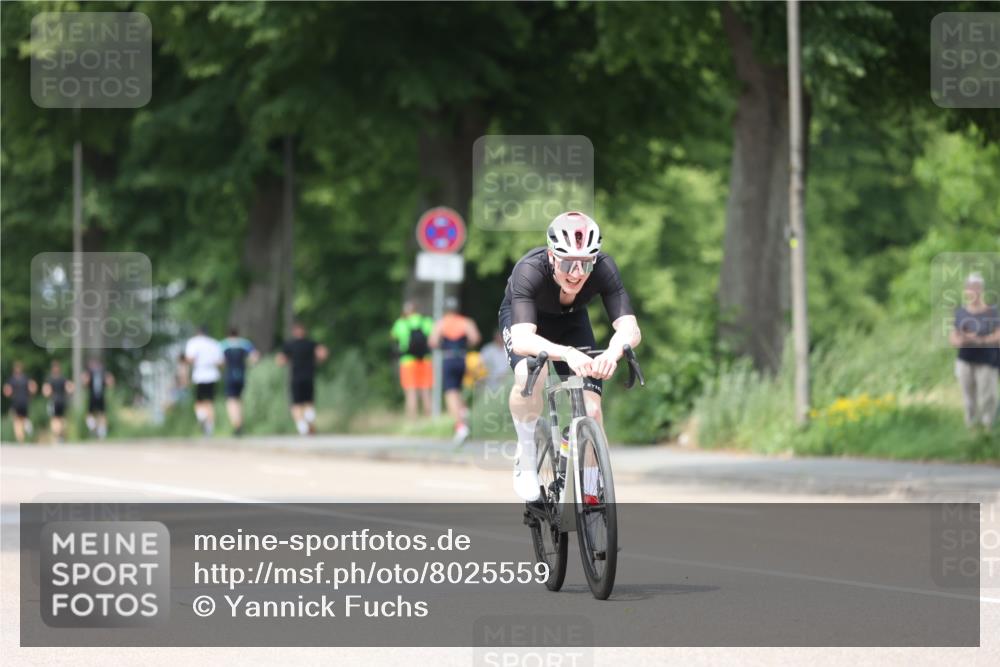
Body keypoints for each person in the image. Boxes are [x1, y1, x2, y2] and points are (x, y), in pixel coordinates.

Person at [498, 211, 641, 501]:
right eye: (567, 263)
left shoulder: (604, 268)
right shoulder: (529, 269)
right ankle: (526, 456)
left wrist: (612, 354)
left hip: (572, 322)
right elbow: (524, 339)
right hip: (527, 321)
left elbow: (630, 328)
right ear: (551, 257)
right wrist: (566, 354)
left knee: (593, 410)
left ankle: (590, 494)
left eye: (585, 264)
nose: (576, 274)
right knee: (529, 375)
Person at [949, 272, 999, 430]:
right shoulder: (960, 312)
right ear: (966, 291)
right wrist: (961, 340)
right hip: (965, 359)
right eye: (970, 287)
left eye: (976, 287)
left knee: (987, 397)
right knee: (969, 400)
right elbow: (954, 336)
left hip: (987, 359)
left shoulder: (993, 312)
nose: (974, 291)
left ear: (982, 290)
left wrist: (978, 339)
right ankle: (971, 431)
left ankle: (987, 431)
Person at [429, 296, 482, 442]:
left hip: (448, 359)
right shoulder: (466, 322)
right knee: (458, 389)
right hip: (462, 358)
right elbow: (475, 338)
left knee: (450, 393)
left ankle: (460, 427)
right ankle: (463, 411)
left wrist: (443, 344)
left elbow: (432, 342)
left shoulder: (441, 323)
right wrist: (464, 344)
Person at [277, 321, 329, 435]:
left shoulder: (289, 345)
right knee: (309, 402)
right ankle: (309, 419)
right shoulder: (311, 344)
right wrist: (317, 361)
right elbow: (323, 353)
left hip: (296, 378)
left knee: (296, 404)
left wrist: (284, 361)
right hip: (309, 376)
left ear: (294, 332)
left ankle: (302, 427)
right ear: (304, 331)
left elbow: (280, 361)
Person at [391, 301, 434, 419]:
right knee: (426, 391)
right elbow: (433, 338)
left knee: (411, 392)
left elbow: (393, 336)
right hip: (425, 360)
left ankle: (412, 420)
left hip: (408, 361)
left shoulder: (401, 323)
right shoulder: (427, 321)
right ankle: (428, 420)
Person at [184, 326, 224, 436]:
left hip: (200, 375)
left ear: (198, 332)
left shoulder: (193, 342)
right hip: (212, 375)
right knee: (210, 401)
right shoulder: (214, 343)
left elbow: (189, 359)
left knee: (199, 401)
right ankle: (210, 427)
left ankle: (201, 416)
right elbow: (221, 362)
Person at [220, 328, 258, 435]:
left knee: (231, 401)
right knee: (239, 400)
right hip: (241, 375)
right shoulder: (245, 343)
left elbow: (220, 361)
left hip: (230, 375)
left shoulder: (223, 344)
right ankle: (240, 423)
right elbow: (254, 356)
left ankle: (236, 425)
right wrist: (251, 365)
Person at [3, 361, 37, 443]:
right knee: (23, 418)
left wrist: (9, 394)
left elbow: (7, 391)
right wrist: (31, 396)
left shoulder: (11, 379)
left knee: (16, 420)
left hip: (16, 402)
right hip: (25, 401)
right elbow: (33, 387)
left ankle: (20, 438)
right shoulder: (26, 378)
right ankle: (27, 425)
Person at [82, 358, 114, 439]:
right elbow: (110, 382)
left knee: (89, 414)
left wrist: (84, 380)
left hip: (93, 396)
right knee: (102, 414)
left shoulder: (90, 372)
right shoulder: (103, 372)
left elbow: (85, 382)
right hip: (101, 396)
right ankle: (102, 432)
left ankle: (94, 427)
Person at [42, 361, 73, 443]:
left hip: (54, 401)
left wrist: (47, 394)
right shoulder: (63, 378)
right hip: (62, 400)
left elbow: (46, 391)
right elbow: (70, 388)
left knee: (55, 419)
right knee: (62, 419)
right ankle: (60, 435)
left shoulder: (49, 379)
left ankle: (57, 435)